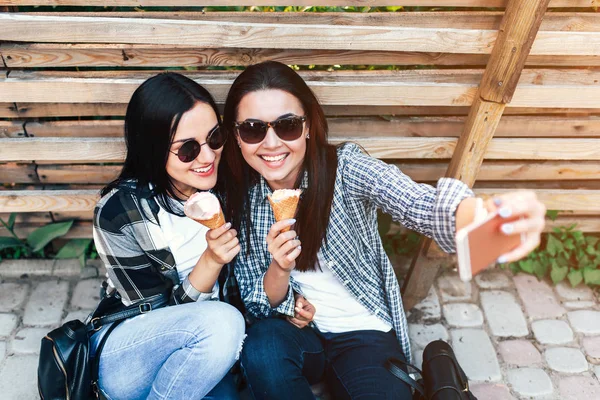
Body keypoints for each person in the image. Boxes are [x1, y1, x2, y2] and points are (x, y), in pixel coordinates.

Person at [222, 61, 547, 400]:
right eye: (253, 129)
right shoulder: (239, 200)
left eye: (287, 125)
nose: (271, 143)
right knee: (262, 346)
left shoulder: (345, 168)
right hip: (298, 334)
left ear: (307, 126)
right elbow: (258, 305)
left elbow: (414, 202)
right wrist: (281, 268)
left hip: (363, 334)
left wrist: (476, 219)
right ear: (236, 136)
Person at [90, 72, 246, 400]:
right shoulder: (120, 212)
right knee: (223, 322)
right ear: (154, 149)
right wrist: (211, 261)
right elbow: (159, 316)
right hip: (131, 354)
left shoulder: (231, 188)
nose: (207, 157)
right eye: (188, 150)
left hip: (208, 351)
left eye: (214, 138)